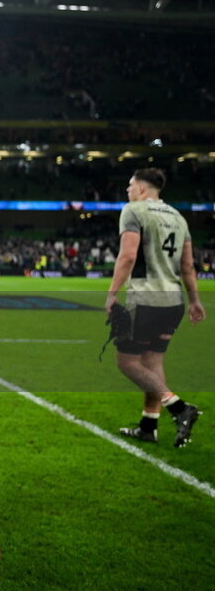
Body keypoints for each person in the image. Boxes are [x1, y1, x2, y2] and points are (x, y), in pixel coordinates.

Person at [106, 168, 206, 447]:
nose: (127, 190)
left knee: (127, 362)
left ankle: (179, 408)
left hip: (146, 298)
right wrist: (195, 300)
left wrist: (112, 294)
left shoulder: (134, 210)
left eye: (129, 185)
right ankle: (148, 426)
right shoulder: (178, 217)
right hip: (173, 301)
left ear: (140, 188)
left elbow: (127, 256)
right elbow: (187, 266)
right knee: (153, 363)